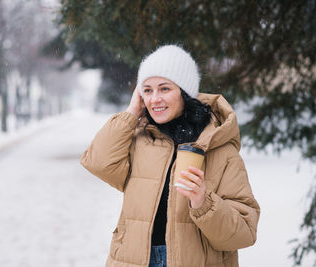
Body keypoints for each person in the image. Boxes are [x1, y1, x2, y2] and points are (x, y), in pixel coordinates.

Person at [80, 45, 260, 267]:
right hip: (133, 260)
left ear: (185, 92)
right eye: (147, 90)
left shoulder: (220, 148)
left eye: (164, 89)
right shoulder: (141, 137)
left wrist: (204, 202)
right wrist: (131, 113)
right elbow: (99, 163)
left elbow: (244, 232)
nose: (154, 99)